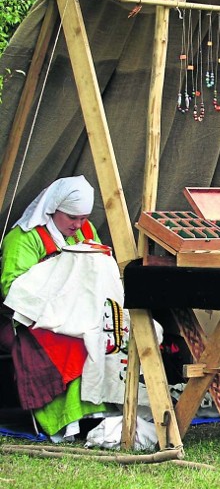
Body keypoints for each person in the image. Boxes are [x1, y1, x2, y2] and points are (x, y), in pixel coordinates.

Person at [0, 176, 122, 440]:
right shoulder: (23, 238)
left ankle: (107, 413)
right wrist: (58, 275)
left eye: (84, 217)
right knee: (75, 344)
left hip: (83, 313)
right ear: (53, 208)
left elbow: (100, 267)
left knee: (112, 335)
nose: (78, 225)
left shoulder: (85, 230)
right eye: (71, 218)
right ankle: (70, 420)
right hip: (35, 322)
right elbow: (12, 289)